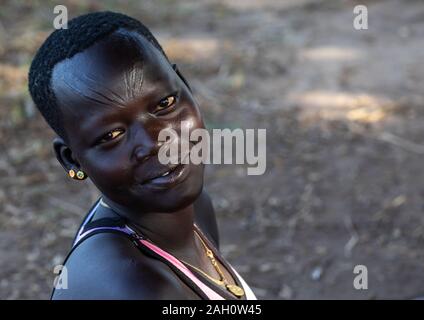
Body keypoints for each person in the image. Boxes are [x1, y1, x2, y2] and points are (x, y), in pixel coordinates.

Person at [28, 11, 256, 300]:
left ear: (184, 84)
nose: (156, 142)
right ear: (72, 160)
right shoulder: (135, 285)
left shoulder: (194, 210)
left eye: (165, 103)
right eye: (112, 135)